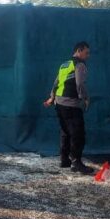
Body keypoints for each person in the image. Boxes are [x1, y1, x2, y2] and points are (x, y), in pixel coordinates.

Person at [44, 42, 93, 175]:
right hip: (71, 104)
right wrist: (85, 98)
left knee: (65, 131)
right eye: (86, 52)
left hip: (59, 104)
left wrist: (51, 98)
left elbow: (56, 83)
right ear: (79, 50)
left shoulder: (64, 64)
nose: (88, 56)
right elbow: (80, 83)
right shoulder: (79, 64)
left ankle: (64, 159)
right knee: (78, 134)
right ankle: (76, 163)